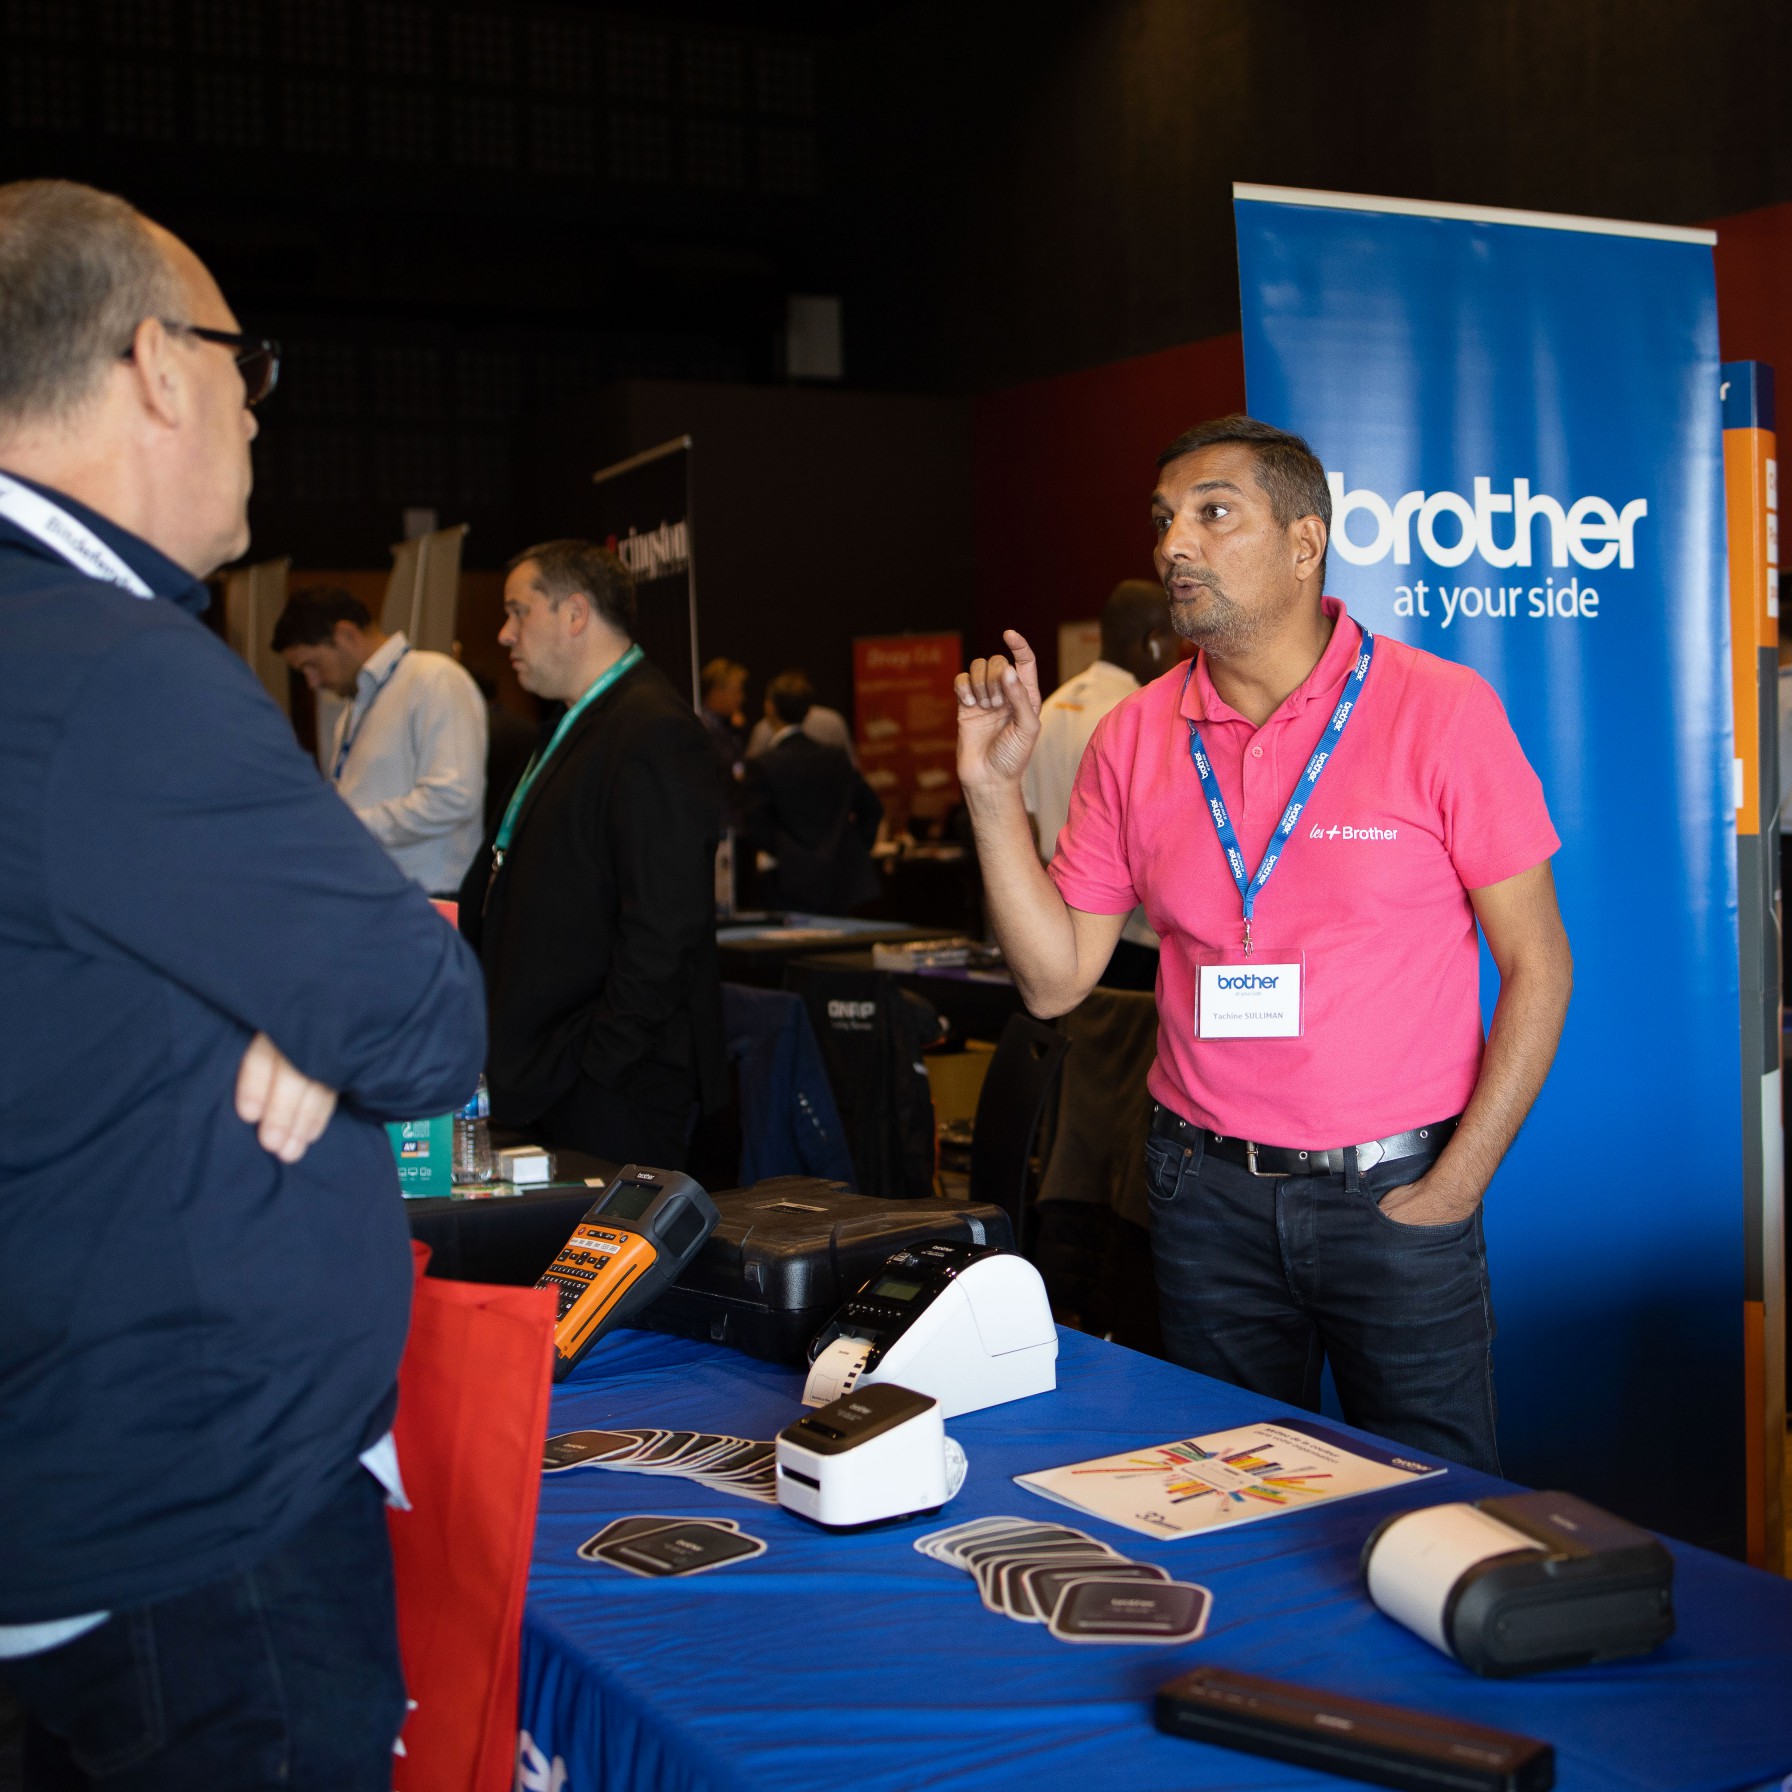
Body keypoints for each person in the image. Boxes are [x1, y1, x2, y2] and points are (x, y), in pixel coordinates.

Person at [0, 179, 485, 1787]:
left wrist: (297, 989)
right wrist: (310, 994)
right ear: (155, 362)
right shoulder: (112, 665)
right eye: (243, 364)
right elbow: (420, 1024)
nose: (259, 419)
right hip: (190, 1547)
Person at [954, 414, 1571, 1473]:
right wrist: (989, 790)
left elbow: (1537, 967)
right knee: (1232, 1495)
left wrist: (1456, 1185)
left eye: (1212, 514)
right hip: (1206, 1202)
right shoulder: (1133, 737)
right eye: (1161, 521)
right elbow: (1055, 982)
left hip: (1396, 1195)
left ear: (1303, 542)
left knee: (1434, 1502)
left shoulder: (1439, 710)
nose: (1171, 547)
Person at [458, 539, 725, 1168]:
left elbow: (664, 924)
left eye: (518, 611)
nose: (503, 633)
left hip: (607, 1091)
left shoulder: (652, 728)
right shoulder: (574, 722)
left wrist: (600, 1064)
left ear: (575, 613)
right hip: (547, 1074)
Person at [273, 584, 487, 896]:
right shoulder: (355, 706)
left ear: (346, 634)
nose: (312, 682)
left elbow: (452, 798)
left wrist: (349, 825)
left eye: (312, 664)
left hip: (431, 893)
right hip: (380, 889)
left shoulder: (434, 678)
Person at [1022, 578, 1176, 990]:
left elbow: (1028, 823)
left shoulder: (1051, 709)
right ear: (1153, 641)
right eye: (1175, 642)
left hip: (1060, 932)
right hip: (1133, 937)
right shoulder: (1143, 720)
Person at [742, 670, 884, 914]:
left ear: (769, 708)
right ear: (808, 711)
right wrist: (854, 847)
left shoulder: (762, 765)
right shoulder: (836, 757)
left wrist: (788, 856)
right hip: (841, 881)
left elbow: (756, 827)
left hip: (788, 884)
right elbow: (872, 807)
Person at [745, 666, 856, 764]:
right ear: (808, 710)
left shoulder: (762, 761)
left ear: (770, 708)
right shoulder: (833, 722)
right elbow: (852, 769)